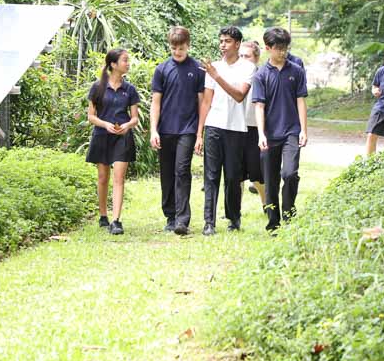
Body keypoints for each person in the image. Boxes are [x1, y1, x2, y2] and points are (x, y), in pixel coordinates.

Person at [196, 26, 256, 235]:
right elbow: (206, 102)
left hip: (236, 129)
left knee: (232, 177)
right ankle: (209, 222)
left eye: (227, 41)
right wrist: (199, 133)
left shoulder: (247, 68)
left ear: (237, 44)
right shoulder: (214, 67)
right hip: (213, 126)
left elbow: (239, 95)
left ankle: (233, 217)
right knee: (211, 176)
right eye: (221, 41)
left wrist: (217, 76)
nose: (222, 45)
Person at [150, 26, 205, 236]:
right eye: (173, 48)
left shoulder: (198, 69)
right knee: (167, 173)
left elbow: (202, 103)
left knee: (182, 170)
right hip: (165, 130)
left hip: (188, 129)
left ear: (188, 46)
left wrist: (200, 133)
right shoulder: (162, 69)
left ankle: (183, 219)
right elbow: (156, 102)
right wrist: (153, 130)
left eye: (181, 48)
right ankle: (170, 216)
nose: (177, 52)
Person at [252, 27, 308, 234]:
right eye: (278, 48)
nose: (283, 52)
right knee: (271, 180)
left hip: (292, 131)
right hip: (269, 135)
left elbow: (301, 101)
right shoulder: (261, 75)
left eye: (285, 48)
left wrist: (303, 130)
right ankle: (273, 223)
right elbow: (259, 106)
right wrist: (261, 134)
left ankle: (289, 211)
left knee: (290, 173)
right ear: (267, 48)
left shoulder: (296, 71)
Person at [86, 48, 140, 235]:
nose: (128, 63)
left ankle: (116, 220)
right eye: (125, 60)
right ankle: (103, 215)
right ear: (113, 64)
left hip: (122, 137)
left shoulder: (130, 89)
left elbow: (135, 118)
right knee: (103, 178)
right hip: (102, 136)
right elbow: (91, 116)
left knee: (119, 178)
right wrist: (105, 124)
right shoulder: (97, 87)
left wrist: (127, 125)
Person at [239, 40, 266, 212]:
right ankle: (235, 209)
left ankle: (266, 203)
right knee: (235, 173)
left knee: (256, 173)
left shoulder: (261, 76)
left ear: (256, 58)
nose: (243, 59)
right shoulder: (233, 74)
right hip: (235, 127)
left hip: (255, 128)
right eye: (240, 55)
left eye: (247, 56)